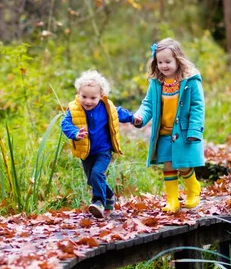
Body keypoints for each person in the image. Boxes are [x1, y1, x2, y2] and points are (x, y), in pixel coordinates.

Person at [133, 38, 205, 213]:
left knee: (184, 164)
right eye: (159, 62)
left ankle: (194, 188)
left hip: (184, 131)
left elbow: (198, 107)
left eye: (167, 61)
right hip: (164, 132)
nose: (163, 66)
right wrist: (140, 116)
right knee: (168, 166)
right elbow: (148, 103)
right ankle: (172, 200)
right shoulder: (157, 84)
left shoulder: (190, 81)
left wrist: (195, 130)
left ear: (178, 60)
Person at [61, 70, 135, 218]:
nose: (88, 101)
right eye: (84, 97)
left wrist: (133, 118)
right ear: (78, 93)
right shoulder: (74, 109)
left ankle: (99, 202)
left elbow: (119, 113)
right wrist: (75, 133)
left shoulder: (106, 107)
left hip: (103, 150)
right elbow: (65, 123)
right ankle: (109, 196)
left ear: (101, 96)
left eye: (93, 98)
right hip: (86, 151)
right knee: (92, 179)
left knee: (97, 173)